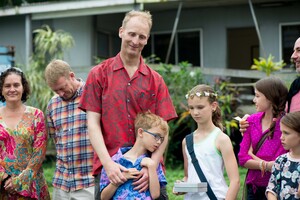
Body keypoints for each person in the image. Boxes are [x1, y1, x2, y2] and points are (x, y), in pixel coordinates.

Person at [79, 10, 177, 200]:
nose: (135, 40)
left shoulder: (155, 80)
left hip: (147, 174)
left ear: (147, 40)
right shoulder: (99, 74)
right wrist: (108, 165)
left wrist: (152, 167)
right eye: (132, 34)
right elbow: (92, 124)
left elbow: (164, 132)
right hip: (112, 169)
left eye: (142, 36)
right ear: (121, 31)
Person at [174, 84, 240, 200]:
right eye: (191, 108)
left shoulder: (221, 139)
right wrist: (181, 186)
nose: (195, 112)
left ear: (213, 106)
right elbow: (187, 176)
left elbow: (235, 181)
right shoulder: (187, 141)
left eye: (200, 107)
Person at [45, 60, 94, 199]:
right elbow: (57, 141)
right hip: (62, 184)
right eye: (56, 90)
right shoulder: (52, 105)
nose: (60, 93)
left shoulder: (93, 95)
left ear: (71, 76)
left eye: (62, 87)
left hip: (88, 182)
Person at [0, 67, 50, 199]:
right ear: (2, 89)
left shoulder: (36, 115)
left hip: (32, 186)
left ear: (23, 87)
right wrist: (5, 179)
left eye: (16, 85)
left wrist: (19, 181)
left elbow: (39, 153)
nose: (12, 89)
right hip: (3, 188)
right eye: (7, 86)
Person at [238, 77, 288, 200]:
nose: (254, 100)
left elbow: (278, 162)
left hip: (278, 187)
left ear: (270, 98)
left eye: (257, 96)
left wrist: (254, 158)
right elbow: (243, 158)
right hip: (253, 187)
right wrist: (266, 165)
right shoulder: (251, 121)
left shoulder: (286, 124)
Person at [100, 111, 168, 200]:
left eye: (161, 139)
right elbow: (103, 197)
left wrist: (151, 166)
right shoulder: (114, 162)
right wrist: (121, 178)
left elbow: (155, 195)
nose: (159, 142)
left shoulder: (152, 163)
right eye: (156, 136)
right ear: (140, 132)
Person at [240, 37, 300, 133]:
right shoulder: (296, 86)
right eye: (294, 51)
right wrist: (251, 122)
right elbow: (280, 114)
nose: (293, 56)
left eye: (299, 50)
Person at [266, 111, 300, 200]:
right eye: (281, 132)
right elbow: (271, 189)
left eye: (286, 133)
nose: (281, 137)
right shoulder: (281, 161)